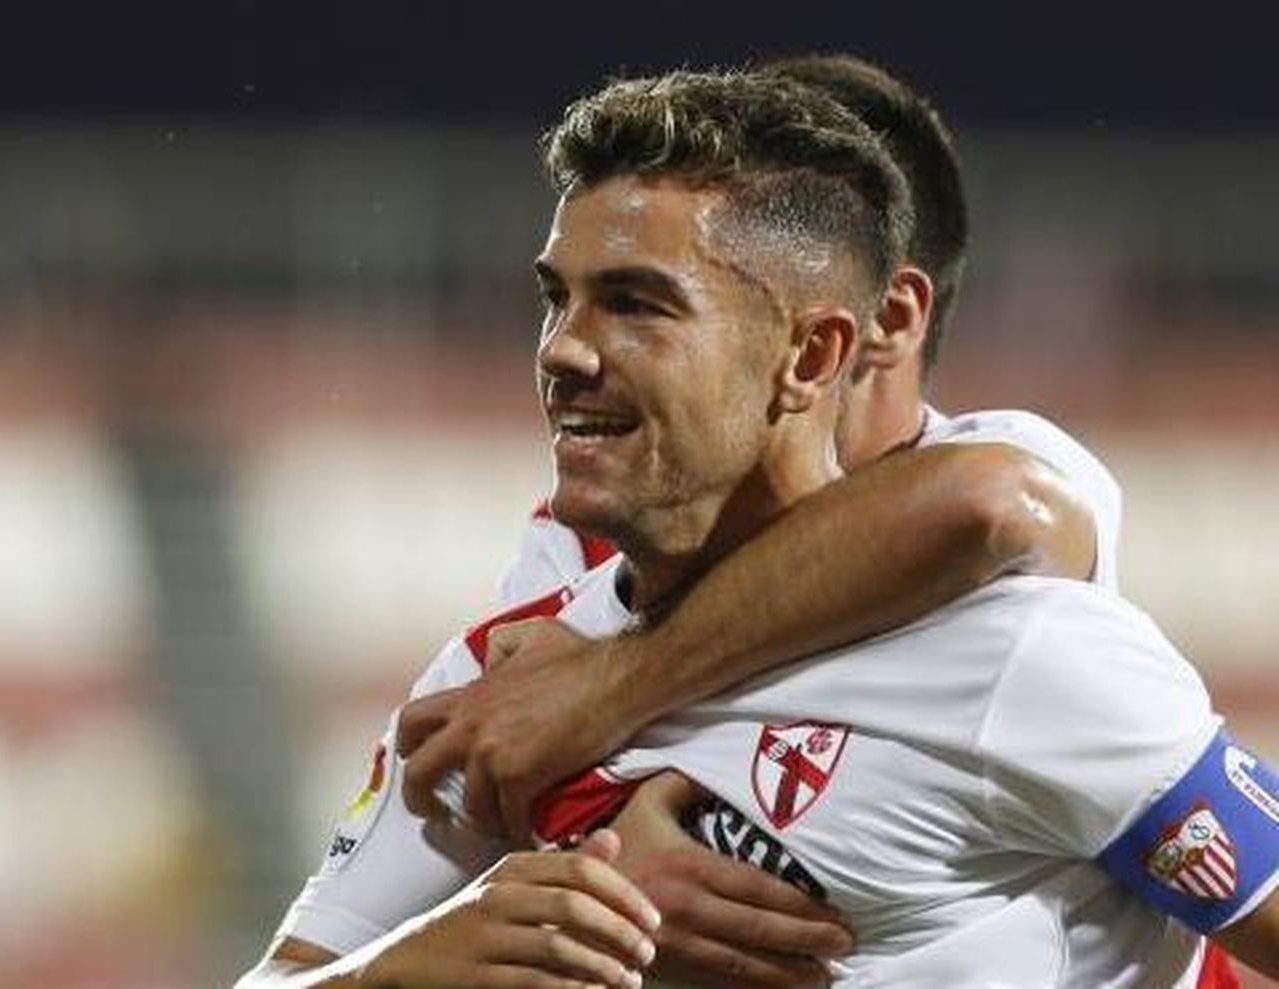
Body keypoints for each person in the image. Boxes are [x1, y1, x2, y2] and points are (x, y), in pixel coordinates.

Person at [239, 69, 1279, 986]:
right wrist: (407, 968)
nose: (561, 349)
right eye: (558, 298)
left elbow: (994, 504)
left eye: (637, 305)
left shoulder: (1019, 650)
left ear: (818, 354)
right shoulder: (500, 682)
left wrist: (612, 693)